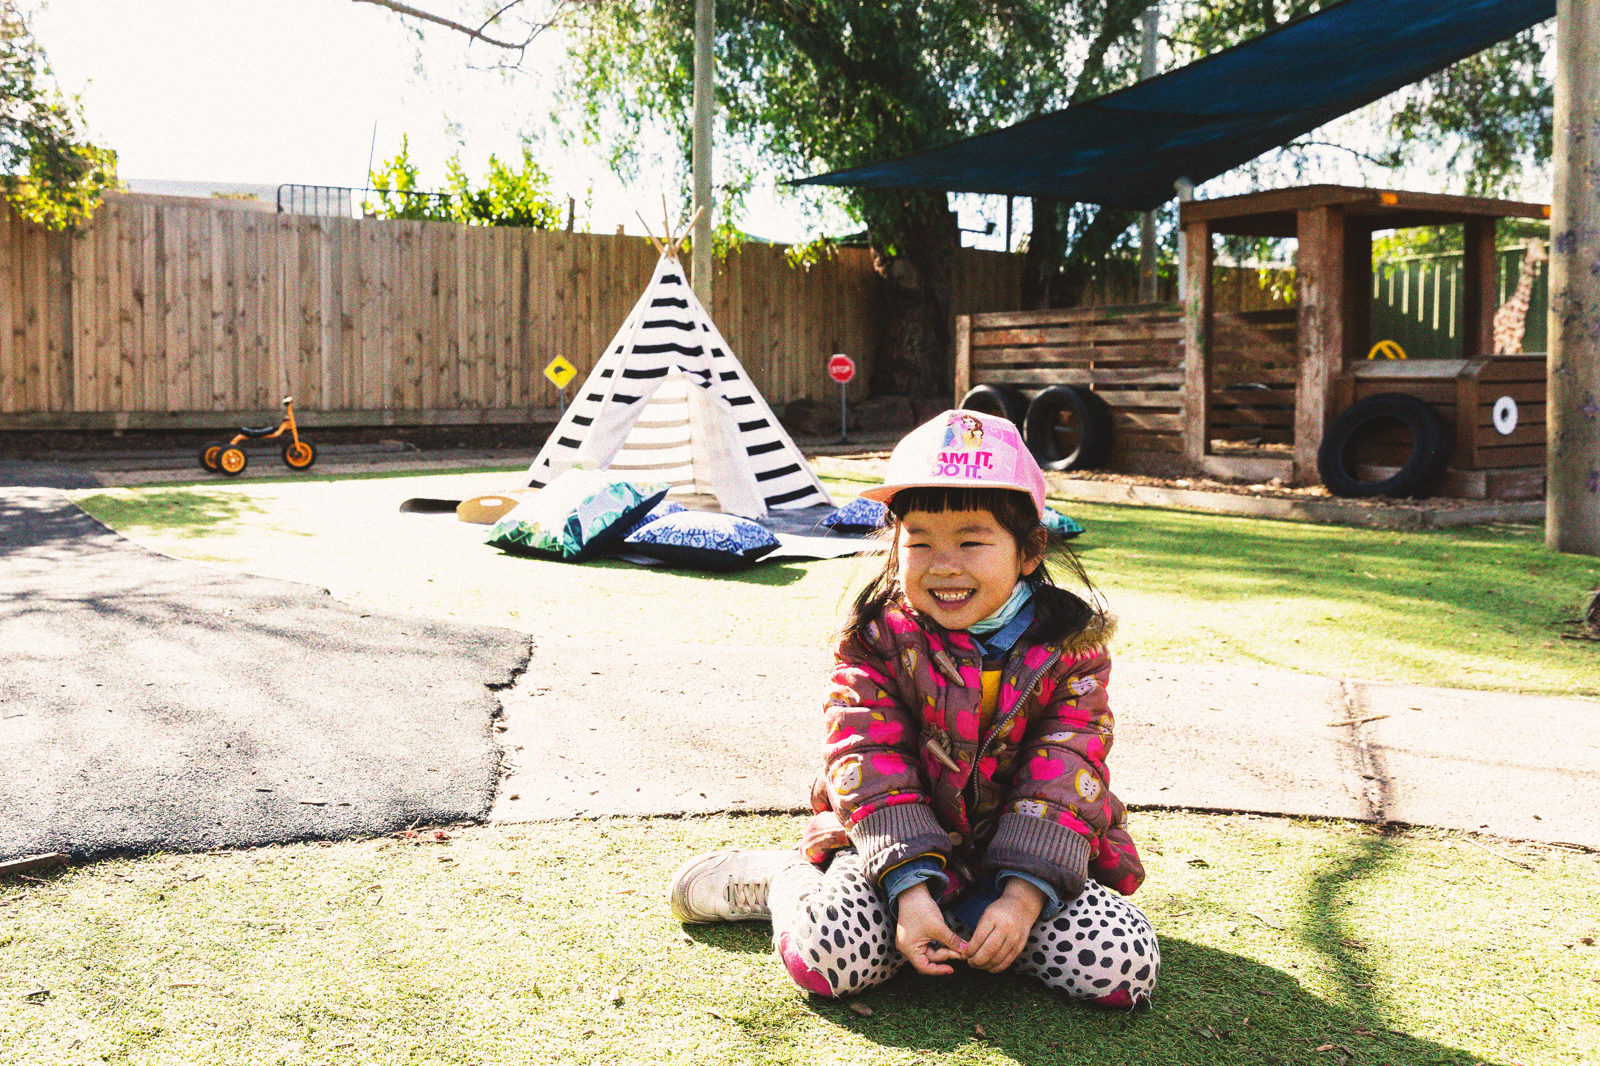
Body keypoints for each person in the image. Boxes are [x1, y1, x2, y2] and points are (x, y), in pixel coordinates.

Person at [667, 410, 1158, 1007]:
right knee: (827, 958)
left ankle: (989, 930)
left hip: (1022, 870)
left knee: (1123, 965)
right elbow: (865, 756)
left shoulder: (1072, 650)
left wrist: (1021, 901)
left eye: (971, 541)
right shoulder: (876, 640)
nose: (944, 564)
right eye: (919, 541)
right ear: (893, 545)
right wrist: (909, 892)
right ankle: (785, 882)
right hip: (888, 859)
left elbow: (1067, 763)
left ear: (1029, 550)